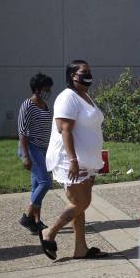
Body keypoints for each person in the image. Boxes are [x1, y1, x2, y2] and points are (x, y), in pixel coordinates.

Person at [39, 60, 109, 259]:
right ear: (73, 76)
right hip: (71, 160)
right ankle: (49, 232)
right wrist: (73, 160)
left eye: (89, 71)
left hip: (88, 160)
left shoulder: (85, 96)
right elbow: (65, 130)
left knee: (79, 204)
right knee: (81, 202)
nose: (89, 75)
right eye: (84, 72)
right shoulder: (67, 97)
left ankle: (81, 249)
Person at [17, 73, 54, 234]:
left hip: (43, 149)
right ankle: (27, 216)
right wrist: (25, 156)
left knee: (36, 185)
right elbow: (22, 132)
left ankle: (36, 222)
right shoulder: (27, 105)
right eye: (46, 89)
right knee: (46, 182)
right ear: (37, 89)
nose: (48, 91)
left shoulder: (45, 105)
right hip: (31, 148)